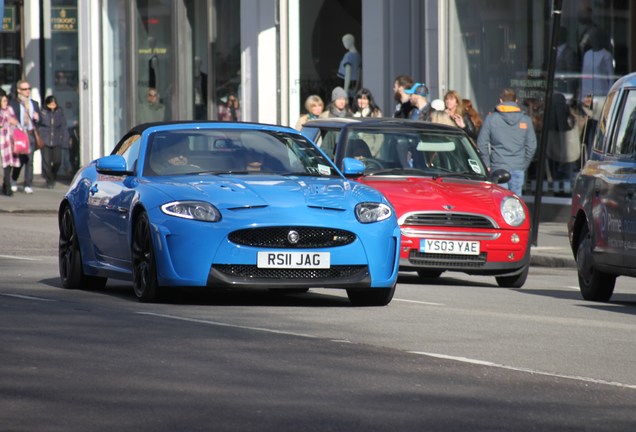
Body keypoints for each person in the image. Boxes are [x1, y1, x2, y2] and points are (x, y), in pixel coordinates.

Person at [477, 88, 537, 196]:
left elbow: (482, 143)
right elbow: (531, 146)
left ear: (500, 101)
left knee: (499, 199)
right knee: (515, 200)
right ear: (516, 101)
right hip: (518, 165)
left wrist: (487, 164)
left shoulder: (491, 119)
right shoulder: (525, 119)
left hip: (498, 166)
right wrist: (524, 164)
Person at [10, 80, 41, 194]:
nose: (27, 91)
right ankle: (14, 179)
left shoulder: (34, 103)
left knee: (30, 160)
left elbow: (39, 121)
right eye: (24, 89)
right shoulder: (14, 103)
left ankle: (28, 184)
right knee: (19, 160)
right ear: (19, 90)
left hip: (30, 133)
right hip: (19, 134)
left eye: (29, 89)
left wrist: (37, 118)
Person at [39, 95, 70, 188]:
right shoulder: (43, 112)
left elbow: (63, 126)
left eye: (54, 103)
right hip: (45, 140)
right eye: (50, 103)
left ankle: (53, 175)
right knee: (46, 162)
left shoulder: (59, 112)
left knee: (57, 161)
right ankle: (49, 180)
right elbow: (38, 124)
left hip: (56, 140)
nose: (52, 105)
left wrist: (65, 139)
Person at [0, 93, 19, 196]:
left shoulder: (9, 109)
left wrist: (12, 121)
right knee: (6, 165)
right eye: (3, 101)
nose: (5, 103)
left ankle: (5, 185)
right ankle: (8, 188)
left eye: (6, 101)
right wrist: (8, 120)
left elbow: (15, 121)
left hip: (10, 140)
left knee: (11, 164)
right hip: (2, 141)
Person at [338, 33, 361, 99]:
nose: (344, 44)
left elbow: (348, 73)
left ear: (350, 41)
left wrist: (345, 91)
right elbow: (359, 72)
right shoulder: (358, 55)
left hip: (345, 82)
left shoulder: (348, 56)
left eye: (344, 41)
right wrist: (356, 86)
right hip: (354, 83)